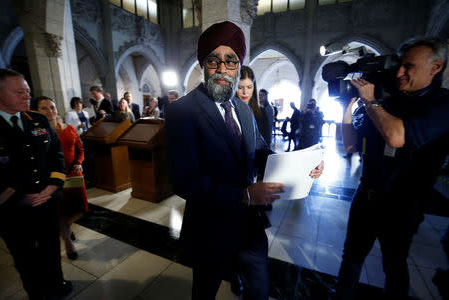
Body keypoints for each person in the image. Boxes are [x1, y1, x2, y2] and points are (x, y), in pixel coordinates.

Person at [165, 21, 323, 299]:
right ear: (203, 64)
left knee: (259, 288)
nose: (223, 69)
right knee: (205, 291)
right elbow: (184, 180)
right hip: (209, 226)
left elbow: (260, 152)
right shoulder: (182, 111)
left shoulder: (243, 109)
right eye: (214, 60)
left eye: (231, 61)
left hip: (248, 225)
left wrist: (301, 166)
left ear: (239, 66)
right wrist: (244, 195)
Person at [334, 37, 449, 300]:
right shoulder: (389, 100)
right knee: (351, 257)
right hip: (367, 195)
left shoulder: (441, 105)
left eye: (409, 66)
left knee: (394, 264)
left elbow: (396, 137)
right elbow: (351, 144)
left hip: (403, 205)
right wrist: (348, 106)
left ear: (436, 67)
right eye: (399, 66)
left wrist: (372, 102)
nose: (399, 73)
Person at [0, 68, 72, 299]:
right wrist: (17, 196)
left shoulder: (37, 119)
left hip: (48, 201)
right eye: (19, 92)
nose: (26, 96)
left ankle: (56, 285)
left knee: (51, 249)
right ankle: (37, 293)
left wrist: (51, 187)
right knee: (25, 256)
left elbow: (56, 156)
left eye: (28, 91)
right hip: (13, 210)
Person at [35, 96, 88, 261]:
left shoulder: (70, 128)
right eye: (44, 108)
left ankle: (67, 228)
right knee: (61, 211)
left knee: (79, 209)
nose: (50, 111)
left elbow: (80, 149)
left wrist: (79, 162)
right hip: (53, 177)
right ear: (36, 111)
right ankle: (67, 241)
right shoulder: (36, 132)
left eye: (52, 107)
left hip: (73, 173)